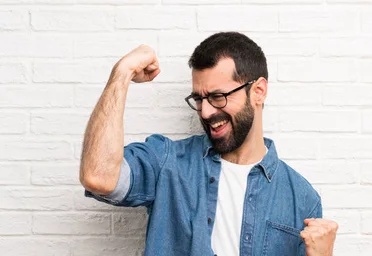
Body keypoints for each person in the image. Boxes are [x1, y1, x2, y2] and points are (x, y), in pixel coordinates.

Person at [79, 32, 337, 256]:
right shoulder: (168, 162)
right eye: (199, 99)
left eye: (217, 97)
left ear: (258, 91)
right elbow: (98, 176)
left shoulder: (302, 197)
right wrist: (121, 74)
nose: (204, 112)